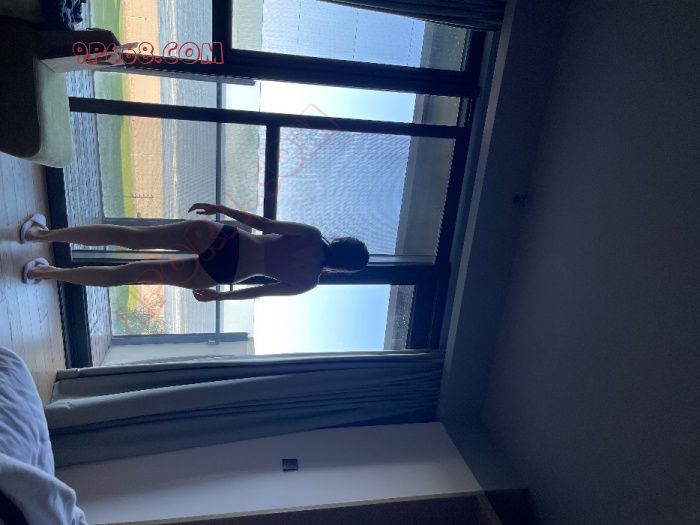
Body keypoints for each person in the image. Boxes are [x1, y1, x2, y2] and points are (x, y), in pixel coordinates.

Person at [19, 203, 369, 301]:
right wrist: (219, 297)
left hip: (223, 239)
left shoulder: (312, 235)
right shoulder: (309, 283)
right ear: (343, 268)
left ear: (343, 243)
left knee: (130, 237)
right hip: (221, 273)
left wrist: (221, 209)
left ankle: (41, 233)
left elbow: (263, 223)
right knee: (127, 274)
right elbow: (259, 292)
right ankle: (43, 273)